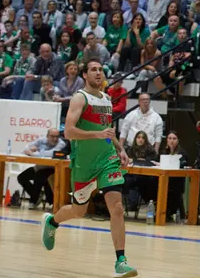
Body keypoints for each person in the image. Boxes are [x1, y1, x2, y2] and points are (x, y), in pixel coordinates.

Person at [41, 59, 137, 277]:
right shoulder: (79, 98)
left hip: (107, 159)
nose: (98, 73)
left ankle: (121, 261)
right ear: (84, 75)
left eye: (101, 70)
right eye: (93, 69)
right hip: (84, 164)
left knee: (117, 208)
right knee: (79, 211)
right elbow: (69, 132)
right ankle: (52, 221)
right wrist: (96, 134)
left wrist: (120, 149)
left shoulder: (107, 98)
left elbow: (107, 130)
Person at [18, 128, 65, 209]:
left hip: (52, 170)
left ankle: (34, 200)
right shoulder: (41, 140)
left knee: (40, 176)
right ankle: (37, 195)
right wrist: (29, 150)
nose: (55, 139)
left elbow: (51, 153)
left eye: (57, 136)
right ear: (47, 136)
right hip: (39, 167)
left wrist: (33, 153)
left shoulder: (61, 143)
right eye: (52, 136)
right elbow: (25, 149)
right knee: (21, 177)